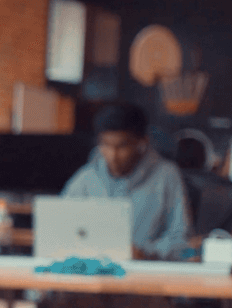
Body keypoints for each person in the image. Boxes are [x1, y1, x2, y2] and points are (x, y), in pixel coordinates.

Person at [60, 103, 191, 260]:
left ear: (142, 142)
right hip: (95, 270)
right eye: (106, 145)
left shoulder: (167, 175)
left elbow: (183, 238)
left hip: (146, 275)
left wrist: (146, 252)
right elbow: (61, 229)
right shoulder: (86, 177)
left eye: (122, 146)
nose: (112, 155)